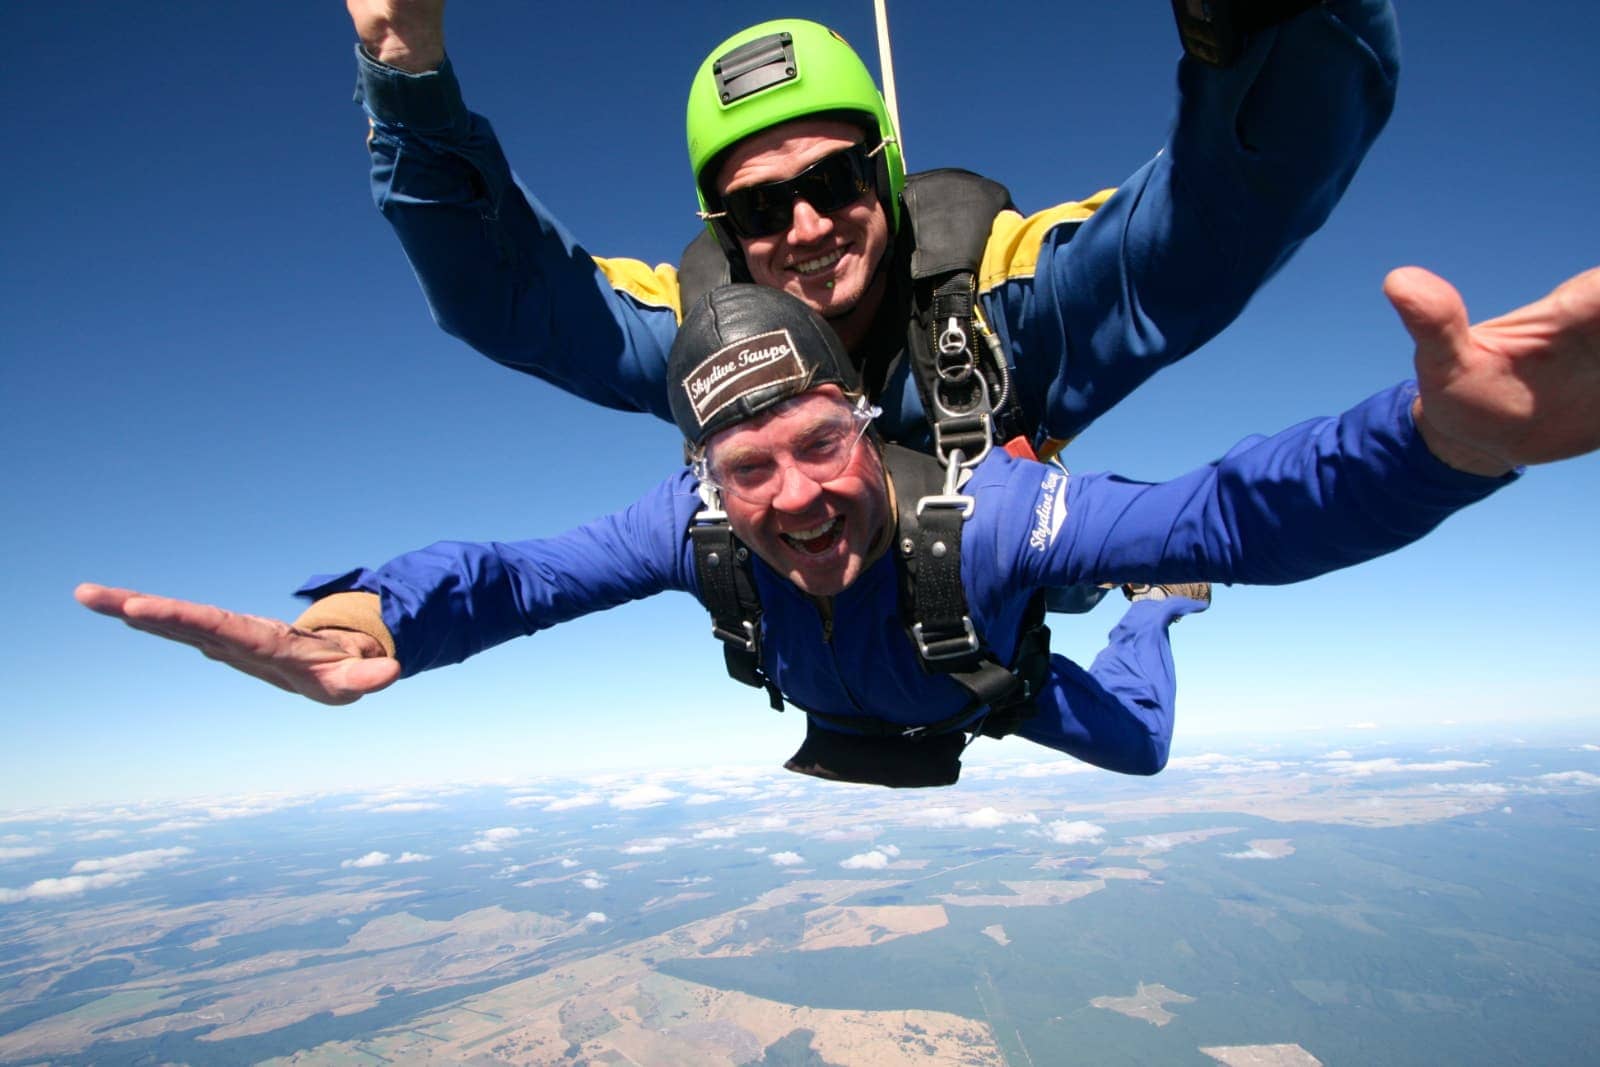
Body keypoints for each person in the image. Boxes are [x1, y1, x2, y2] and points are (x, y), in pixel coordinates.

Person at [78, 263, 1600, 786]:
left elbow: (1237, 510)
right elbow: (514, 577)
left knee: (1140, 739)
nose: (794, 493)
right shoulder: (697, 529)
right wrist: (367, 626)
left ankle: (1156, 613)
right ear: (708, 479)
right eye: (748, 468)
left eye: (818, 442)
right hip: (885, 695)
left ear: (863, 425)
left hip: (989, 680)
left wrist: (1434, 445)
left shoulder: (995, 514)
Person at [345, 2, 1399, 460]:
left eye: (837, 180)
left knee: (1131, 730)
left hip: (997, 644)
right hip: (841, 682)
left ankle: (1155, 601)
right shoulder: (709, 335)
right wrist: (405, 72)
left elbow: (1215, 225)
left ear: (886, 177)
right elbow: (511, 297)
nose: (805, 225)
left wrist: (1271, 18)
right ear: (725, 226)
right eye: (759, 206)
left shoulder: (1000, 304)